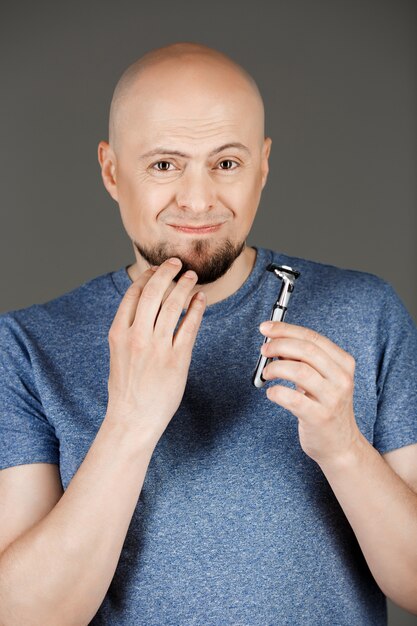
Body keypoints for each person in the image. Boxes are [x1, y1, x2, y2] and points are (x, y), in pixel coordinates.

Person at [0, 41, 416, 626]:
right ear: (113, 171)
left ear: (263, 166)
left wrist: (345, 451)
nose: (198, 201)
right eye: (165, 164)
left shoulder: (366, 311)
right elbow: (21, 615)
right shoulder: (25, 346)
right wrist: (129, 424)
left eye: (226, 163)